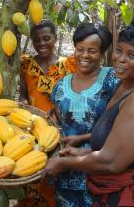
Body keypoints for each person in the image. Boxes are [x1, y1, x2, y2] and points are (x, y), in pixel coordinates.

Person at [44, 8, 134, 206]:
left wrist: (63, 163)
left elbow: (111, 161)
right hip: (110, 191)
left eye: (132, 55)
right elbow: (116, 141)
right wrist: (83, 152)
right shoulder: (125, 85)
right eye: (119, 50)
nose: (120, 59)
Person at [49, 22, 119, 206]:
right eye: (80, 49)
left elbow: (121, 125)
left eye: (92, 51)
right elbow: (57, 123)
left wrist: (84, 137)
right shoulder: (60, 87)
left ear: (102, 53)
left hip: (99, 168)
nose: (84, 55)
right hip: (65, 171)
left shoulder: (113, 80)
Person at [17, 20, 76, 207]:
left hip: (58, 131)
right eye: (37, 40)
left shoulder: (67, 66)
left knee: (52, 176)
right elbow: (24, 94)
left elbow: (74, 98)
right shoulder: (26, 64)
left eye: (47, 38)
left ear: (55, 39)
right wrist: (24, 105)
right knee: (31, 173)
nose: (42, 43)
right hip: (31, 128)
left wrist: (59, 111)